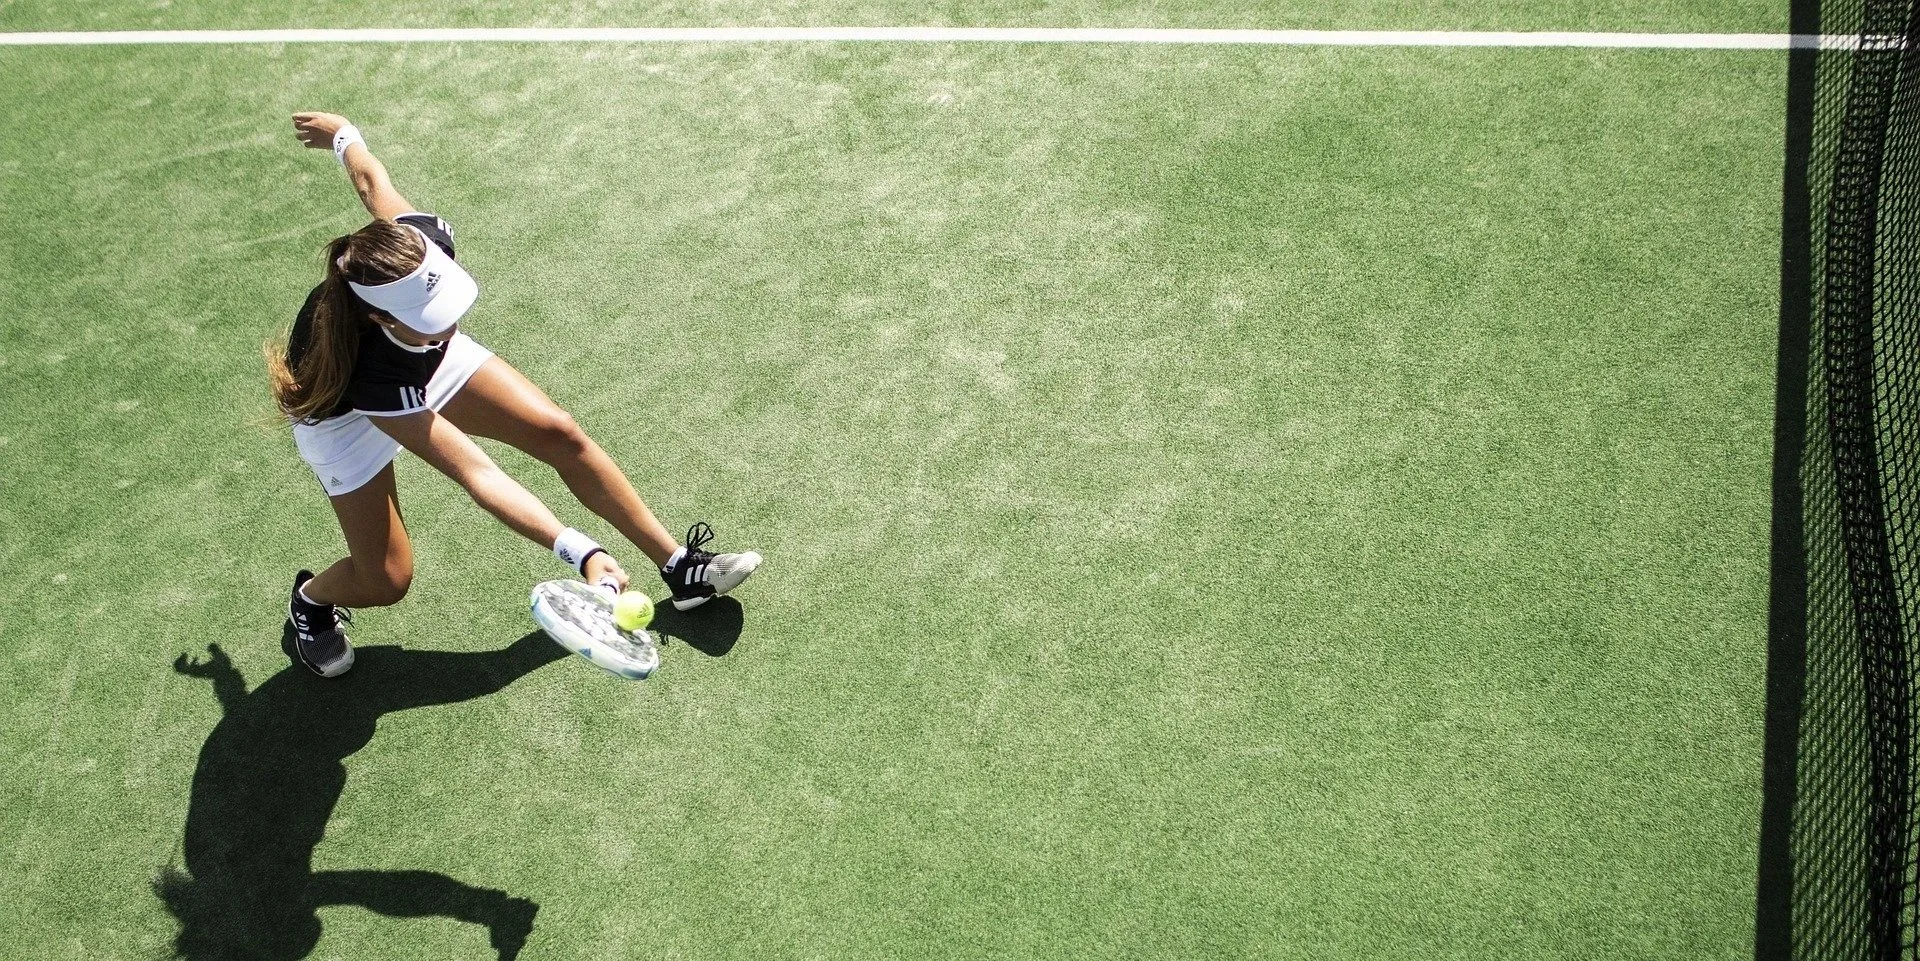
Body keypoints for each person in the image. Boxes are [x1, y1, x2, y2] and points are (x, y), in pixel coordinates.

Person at [266, 112, 760, 678]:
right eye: (435, 318)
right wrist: (581, 551)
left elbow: (371, 182)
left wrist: (344, 136)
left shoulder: (413, 250)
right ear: (381, 316)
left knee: (559, 432)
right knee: (386, 579)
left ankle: (679, 568)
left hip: (415, 355)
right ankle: (311, 601)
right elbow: (480, 475)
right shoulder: (367, 370)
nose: (451, 323)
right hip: (346, 417)